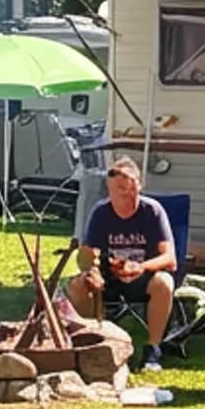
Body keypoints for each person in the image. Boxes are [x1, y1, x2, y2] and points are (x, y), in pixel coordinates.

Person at [69, 156, 177, 368]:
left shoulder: (152, 211)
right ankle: (93, 343)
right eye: (120, 191)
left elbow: (170, 259)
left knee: (164, 282)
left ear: (139, 186)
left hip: (143, 277)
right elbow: (86, 255)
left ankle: (153, 350)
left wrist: (141, 267)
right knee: (78, 285)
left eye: (131, 190)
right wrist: (92, 269)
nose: (127, 196)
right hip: (109, 277)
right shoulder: (101, 213)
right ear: (110, 191)